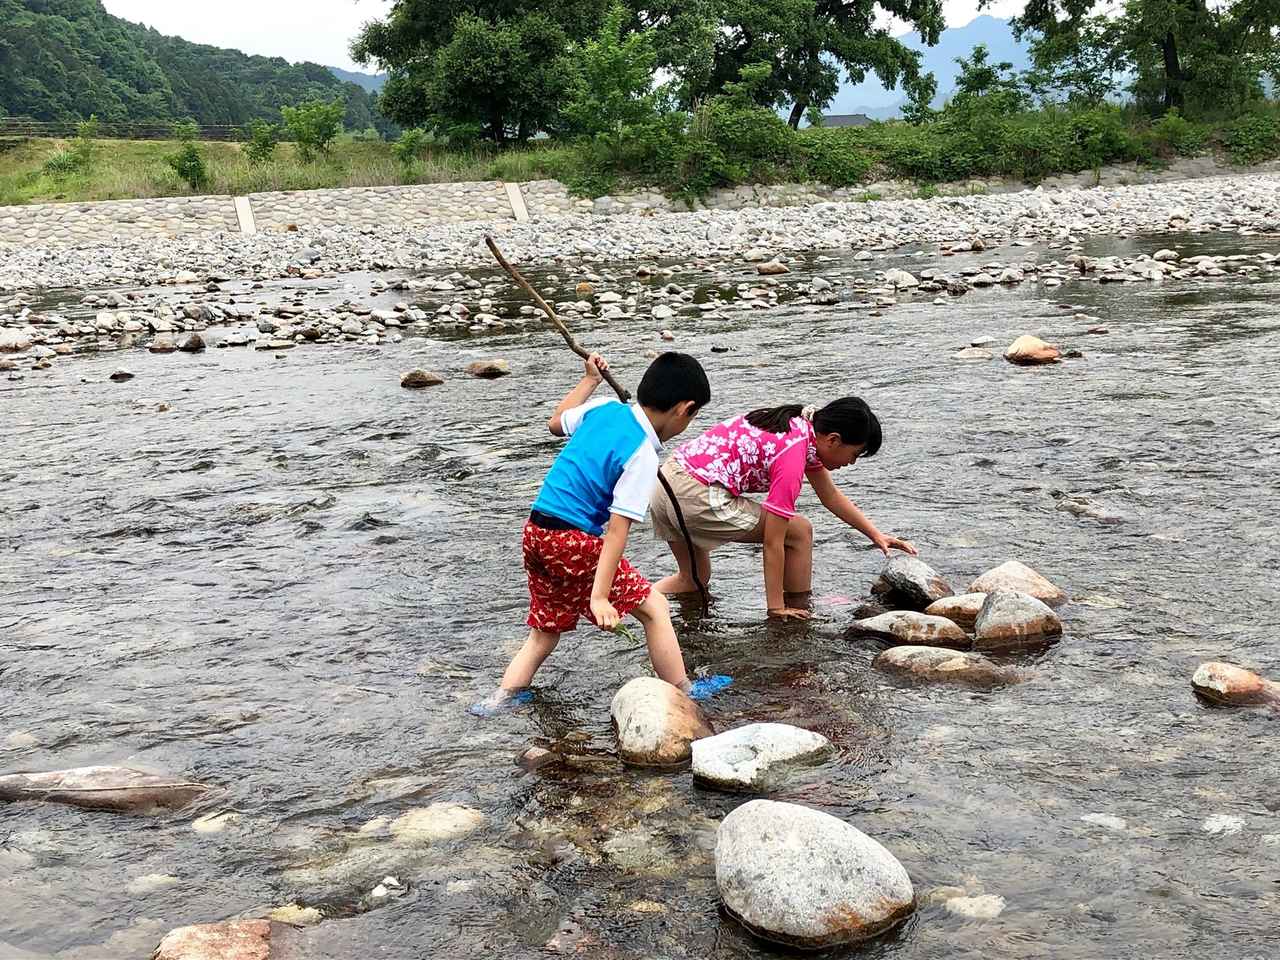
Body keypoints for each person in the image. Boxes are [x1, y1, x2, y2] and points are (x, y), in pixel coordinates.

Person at [471, 351, 730, 716]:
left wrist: (589, 380)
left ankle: (499, 699)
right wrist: (599, 598)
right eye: (694, 415)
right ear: (684, 409)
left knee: (544, 633)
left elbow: (555, 423)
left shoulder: (605, 407)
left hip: (536, 532)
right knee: (655, 608)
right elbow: (617, 530)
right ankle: (684, 689)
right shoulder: (641, 453)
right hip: (572, 541)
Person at [649, 398, 917, 620]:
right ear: (833, 440)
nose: (852, 463)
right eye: (855, 454)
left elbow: (830, 495)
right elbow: (773, 542)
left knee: (693, 580)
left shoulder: (800, 428)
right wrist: (775, 608)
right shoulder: (793, 453)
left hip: (664, 485)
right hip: (694, 494)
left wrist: (875, 534)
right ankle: (798, 611)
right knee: (799, 531)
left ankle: (626, 601)